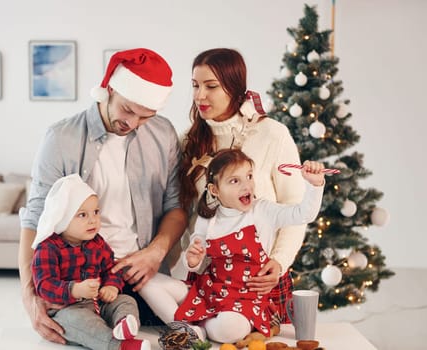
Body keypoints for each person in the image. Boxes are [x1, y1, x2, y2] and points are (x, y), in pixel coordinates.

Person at [19, 48, 188, 345]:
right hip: (81, 285)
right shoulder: (61, 138)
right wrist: (30, 298)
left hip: (144, 279)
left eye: (145, 117)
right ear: (109, 89)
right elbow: (35, 219)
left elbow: (175, 208)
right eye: (127, 110)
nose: (133, 123)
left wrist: (155, 252)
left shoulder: (163, 135)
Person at [141, 149, 326, 344]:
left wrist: (315, 185)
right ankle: (189, 329)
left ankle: (195, 328)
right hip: (209, 291)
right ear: (215, 190)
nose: (247, 186)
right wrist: (193, 259)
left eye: (249, 176)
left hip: (245, 300)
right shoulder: (208, 218)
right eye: (235, 181)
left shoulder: (263, 210)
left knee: (230, 330)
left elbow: (303, 214)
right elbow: (196, 258)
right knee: (147, 282)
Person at [179, 48, 306, 310]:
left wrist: (280, 261)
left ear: (234, 87)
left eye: (211, 86)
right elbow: (185, 213)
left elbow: (294, 203)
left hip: (260, 279)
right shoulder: (189, 141)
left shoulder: (272, 134)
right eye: (195, 85)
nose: (200, 95)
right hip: (206, 279)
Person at [31, 174, 150, 349]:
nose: (93, 219)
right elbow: (45, 285)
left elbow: (111, 268)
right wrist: (75, 290)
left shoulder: (97, 242)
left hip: (98, 302)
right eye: (82, 215)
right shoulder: (48, 248)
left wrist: (111, 286)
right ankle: (118, 345)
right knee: (80, 322)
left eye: (96, 212)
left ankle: (123, 324)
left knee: (126, 301)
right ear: (63, 218)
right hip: (66, 309)